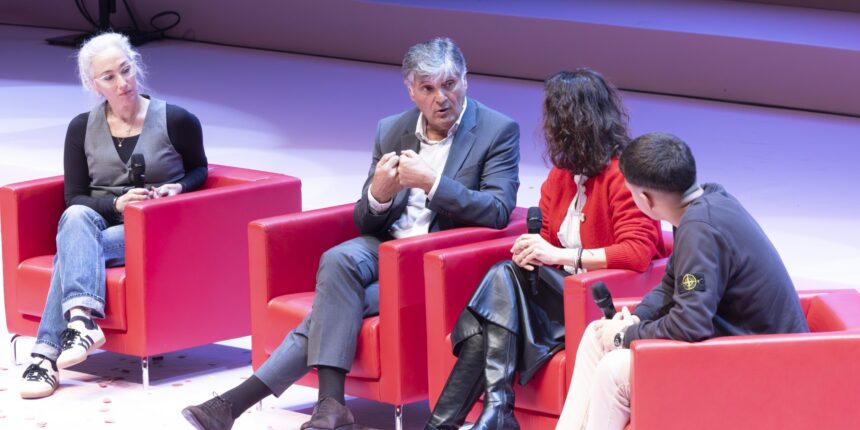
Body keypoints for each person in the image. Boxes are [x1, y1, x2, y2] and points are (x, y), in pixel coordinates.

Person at [182, 37, 520, 430]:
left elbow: (497, 211)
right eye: (428, 88)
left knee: (339, 303)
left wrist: (432, 184)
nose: (442, 98)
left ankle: (248, 403)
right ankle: (330, 405)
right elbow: (367, 222)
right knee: (338, 258)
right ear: (411, 90)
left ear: (466, 80)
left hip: (435, 259)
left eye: (450, 85)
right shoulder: (391, 130)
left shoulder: (497, 130)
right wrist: (378, 194)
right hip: (388, 245)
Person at [424, 69, 668, 430]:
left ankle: (464, 418)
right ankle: (490, 411)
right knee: (502, 287)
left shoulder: (622, 173)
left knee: (497, 286)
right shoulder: (562, 174)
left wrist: (560, 257)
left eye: (553, 116)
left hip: (596, 301)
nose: (547, 127)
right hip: (558, 293)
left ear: (573, 120)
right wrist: (535, 251)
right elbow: (550, 236)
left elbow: (637, 253)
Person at [555, 132, 809, 430]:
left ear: (645, 198)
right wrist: (635, 319)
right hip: (737, 347)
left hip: (765, 363)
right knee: (597, 334)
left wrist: (625, 337)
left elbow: (690, 325)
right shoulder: (703, 203)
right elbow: (671, 285)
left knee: (613, 370)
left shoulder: (699, 230)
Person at [19, 32, 208, 399]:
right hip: (103, 223)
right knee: (75, 217)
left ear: (136, 67)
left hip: (154, 229)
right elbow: (74, 196)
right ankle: (80, 321)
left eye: (126, 71)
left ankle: (45, 355)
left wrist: (178, 188)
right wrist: (116, 205)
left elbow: (200, 169)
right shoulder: (80, 128)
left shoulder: (177, 119)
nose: (122, 84)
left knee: (71, 253)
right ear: (93, 85)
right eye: (109, 77)